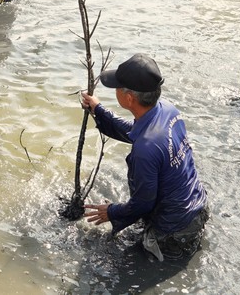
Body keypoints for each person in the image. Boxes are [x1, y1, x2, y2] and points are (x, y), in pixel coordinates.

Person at [80, 54, 209, 261]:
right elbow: (135, 132)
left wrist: (111, 212)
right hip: (197, 206)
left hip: (174, 232)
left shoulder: (145, 150)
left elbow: (142, 204)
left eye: (117, 87)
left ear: (129, 98)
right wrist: (99, 111)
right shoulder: (168, 109)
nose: (114, 90)